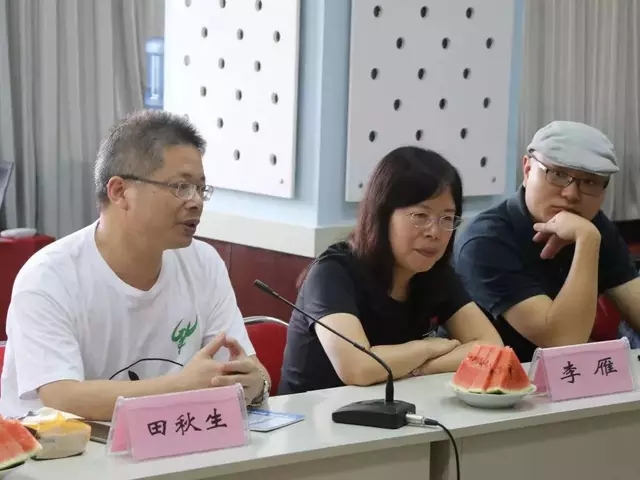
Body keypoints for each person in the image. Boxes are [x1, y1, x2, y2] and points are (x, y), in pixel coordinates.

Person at [0, 110, 270, 420]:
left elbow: (247, 367)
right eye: (181, 187)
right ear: (119, 192)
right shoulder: (49, 276)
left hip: (173, 438)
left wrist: (256, 384)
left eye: (201, 189)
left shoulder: (204, 263)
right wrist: (182, 386)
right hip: (60, 447)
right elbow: (61, 397)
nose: (196, 201)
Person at [278, 146, 503, 395]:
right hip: (313, 415)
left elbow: (492, 348)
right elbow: (357, 368)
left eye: (447, 219)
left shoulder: (435, 273)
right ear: (383, 216)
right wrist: (427, 348)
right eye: (420, 215)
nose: (435, 232)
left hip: (395, 410)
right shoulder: (331, 274)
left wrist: (418, 367)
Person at [454, 120, 640, 362]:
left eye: (590, 182)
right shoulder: (485, 240)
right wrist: (587, 240)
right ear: (527, 170)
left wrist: (588, 235)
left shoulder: (593, 224)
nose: (571, 194)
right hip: (492, 377)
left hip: (569, 376)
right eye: (558, 174)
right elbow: (562, 341)